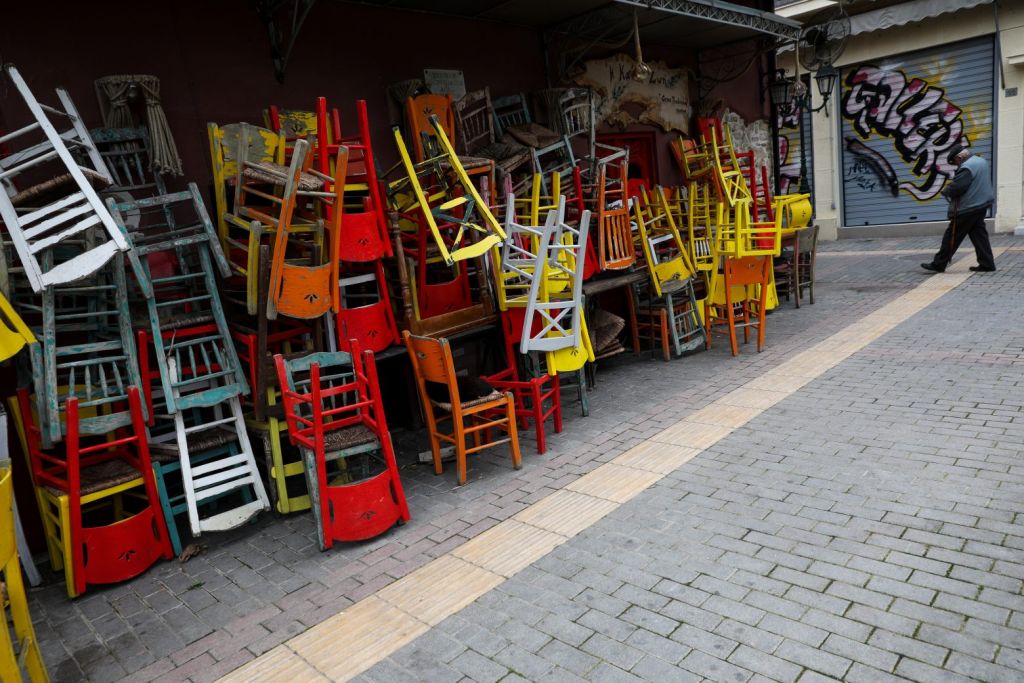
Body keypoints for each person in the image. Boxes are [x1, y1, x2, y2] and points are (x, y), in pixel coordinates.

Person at [921, 143, 996, 273]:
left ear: (959, 157)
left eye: (955, 161)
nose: (956, 164)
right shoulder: (981, 161)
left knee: (952, 235)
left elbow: (958, 187)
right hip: (981, 205)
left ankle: (939, 264)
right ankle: (987, 263)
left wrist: (946, 190)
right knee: (979, 236)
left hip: (968, 207)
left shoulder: (967, 167)